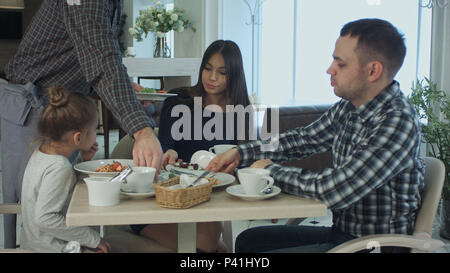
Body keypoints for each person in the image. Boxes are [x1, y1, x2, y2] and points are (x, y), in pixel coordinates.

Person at [206, 19, 425, 253]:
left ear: (373, 71)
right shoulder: (349, 108)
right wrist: (241, 153)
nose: (329, 69)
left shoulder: (396, 121)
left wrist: (269, 171)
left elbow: (335, 190)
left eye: (340, 64)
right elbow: (303, 139)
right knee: (249, 241)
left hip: (375, 245)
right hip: (344, 234)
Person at [0, 0, 162, 248]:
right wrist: (142, 130)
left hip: (51, 98)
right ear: (77, 136)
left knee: (50, 199)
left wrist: (124, 87)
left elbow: (92, 49)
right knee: (30, 205)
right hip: (30, 102)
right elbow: (101, 58)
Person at [130, 40, 251, 253]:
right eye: (208, 68)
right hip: (166, 200)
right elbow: (165, 146)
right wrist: (169, 152)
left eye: (222, 72)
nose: (212, 78)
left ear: (234, 75)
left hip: (209, 200)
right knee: (213, 245)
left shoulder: (241, 111)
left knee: (214, 240)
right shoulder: (179, 100)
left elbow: (248, 158)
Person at [20, 86, 110, 253]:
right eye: (94, 130)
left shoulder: (42, 153)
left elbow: (57, 189)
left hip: (33, 242)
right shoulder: (59, 167)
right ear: (78, 137)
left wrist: (82, 159)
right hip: (52, 247)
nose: (95, 134)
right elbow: (45, 219)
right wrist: (92, 238)